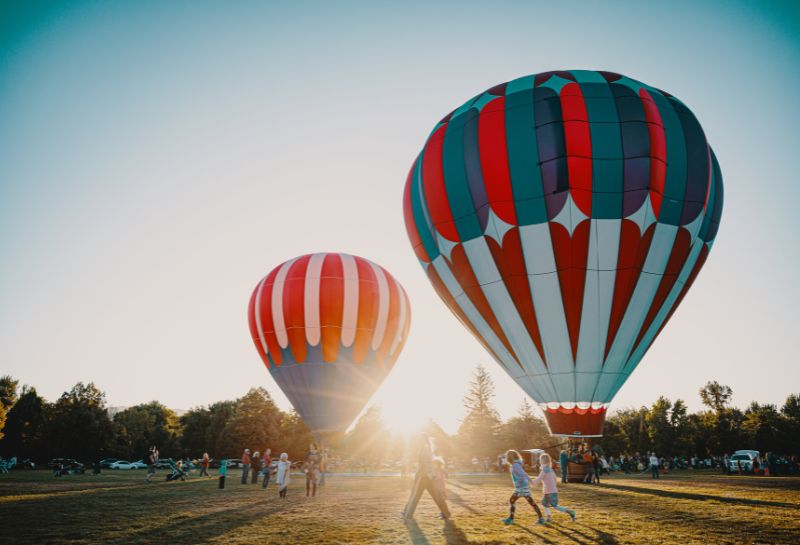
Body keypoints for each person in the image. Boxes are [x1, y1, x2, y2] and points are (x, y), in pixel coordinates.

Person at [402, 434, 451, 520]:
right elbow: (427, 462)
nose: (417, 440)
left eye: (419, 438)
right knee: (435, 495)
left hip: (424, 475)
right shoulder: (425, 447)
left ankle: (407, 514)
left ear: (423, 439)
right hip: (425, 475)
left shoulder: (425, 448)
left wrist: (429, 473)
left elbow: (427, 463)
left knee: (415, 495)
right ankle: (446, 513)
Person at [502, 450, 545, 525]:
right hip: (524, 486)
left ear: (509, 458)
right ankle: (541, 518)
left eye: (507, 457)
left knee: (512, 500)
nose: (506, 458)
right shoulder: (517, 464)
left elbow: (522, 475)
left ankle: (511, 519)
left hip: (521, 487)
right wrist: (530, 480)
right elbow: (524, 473)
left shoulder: (515, 465)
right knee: (531, 502)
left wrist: (517, 483)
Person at [531, 453, 576, 523]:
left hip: (550, 491)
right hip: (549, 491)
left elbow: (539, 478)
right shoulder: (550, 469)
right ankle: (548, 518)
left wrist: (532, 482)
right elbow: (554, 479)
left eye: (540, 460)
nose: (539, 461)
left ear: (542, 461)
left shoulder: (544, 470)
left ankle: (570, 512)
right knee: (544, 503)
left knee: (554, 506)